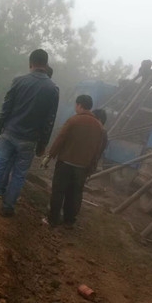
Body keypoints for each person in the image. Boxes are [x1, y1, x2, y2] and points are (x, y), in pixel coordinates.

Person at [0, 49, 59, 217]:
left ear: (30, 63)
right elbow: (49, 121)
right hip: (29, 141)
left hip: (9, 135)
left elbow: (5, 110)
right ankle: (8, 208)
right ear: (46, 64)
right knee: (19, 175)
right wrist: (42, 145)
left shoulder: (18, 81)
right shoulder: (53, 89)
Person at [42, 95, 105, 229]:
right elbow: (97, 150)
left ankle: (53, 220)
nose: (75, 107)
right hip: (82, 168)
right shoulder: (99, 126)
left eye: (76, 105)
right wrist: (91, 167)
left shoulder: (74, 120)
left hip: (65, 163)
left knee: (59, 191)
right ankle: (69, 220)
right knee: (75, 194)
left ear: (80, 105)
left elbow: (61, 138)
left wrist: (50, 155)